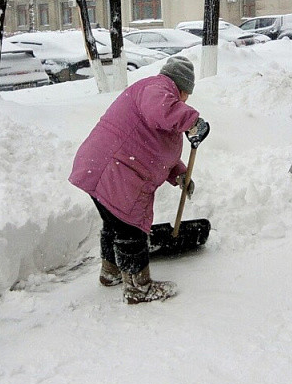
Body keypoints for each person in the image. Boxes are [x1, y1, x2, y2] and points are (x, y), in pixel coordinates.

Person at [69, 55, 205, 304]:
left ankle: (110, 272)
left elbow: (157, 148)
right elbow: (162, 111)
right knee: (130, 229)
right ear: (181, 86)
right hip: (116, 170)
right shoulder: (157, 89)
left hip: (104, 167)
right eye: (186, 94)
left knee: (114, 224)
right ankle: (138, 288)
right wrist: (192, 120)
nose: (185, 99)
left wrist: (179, 173)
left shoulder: (155, 92)